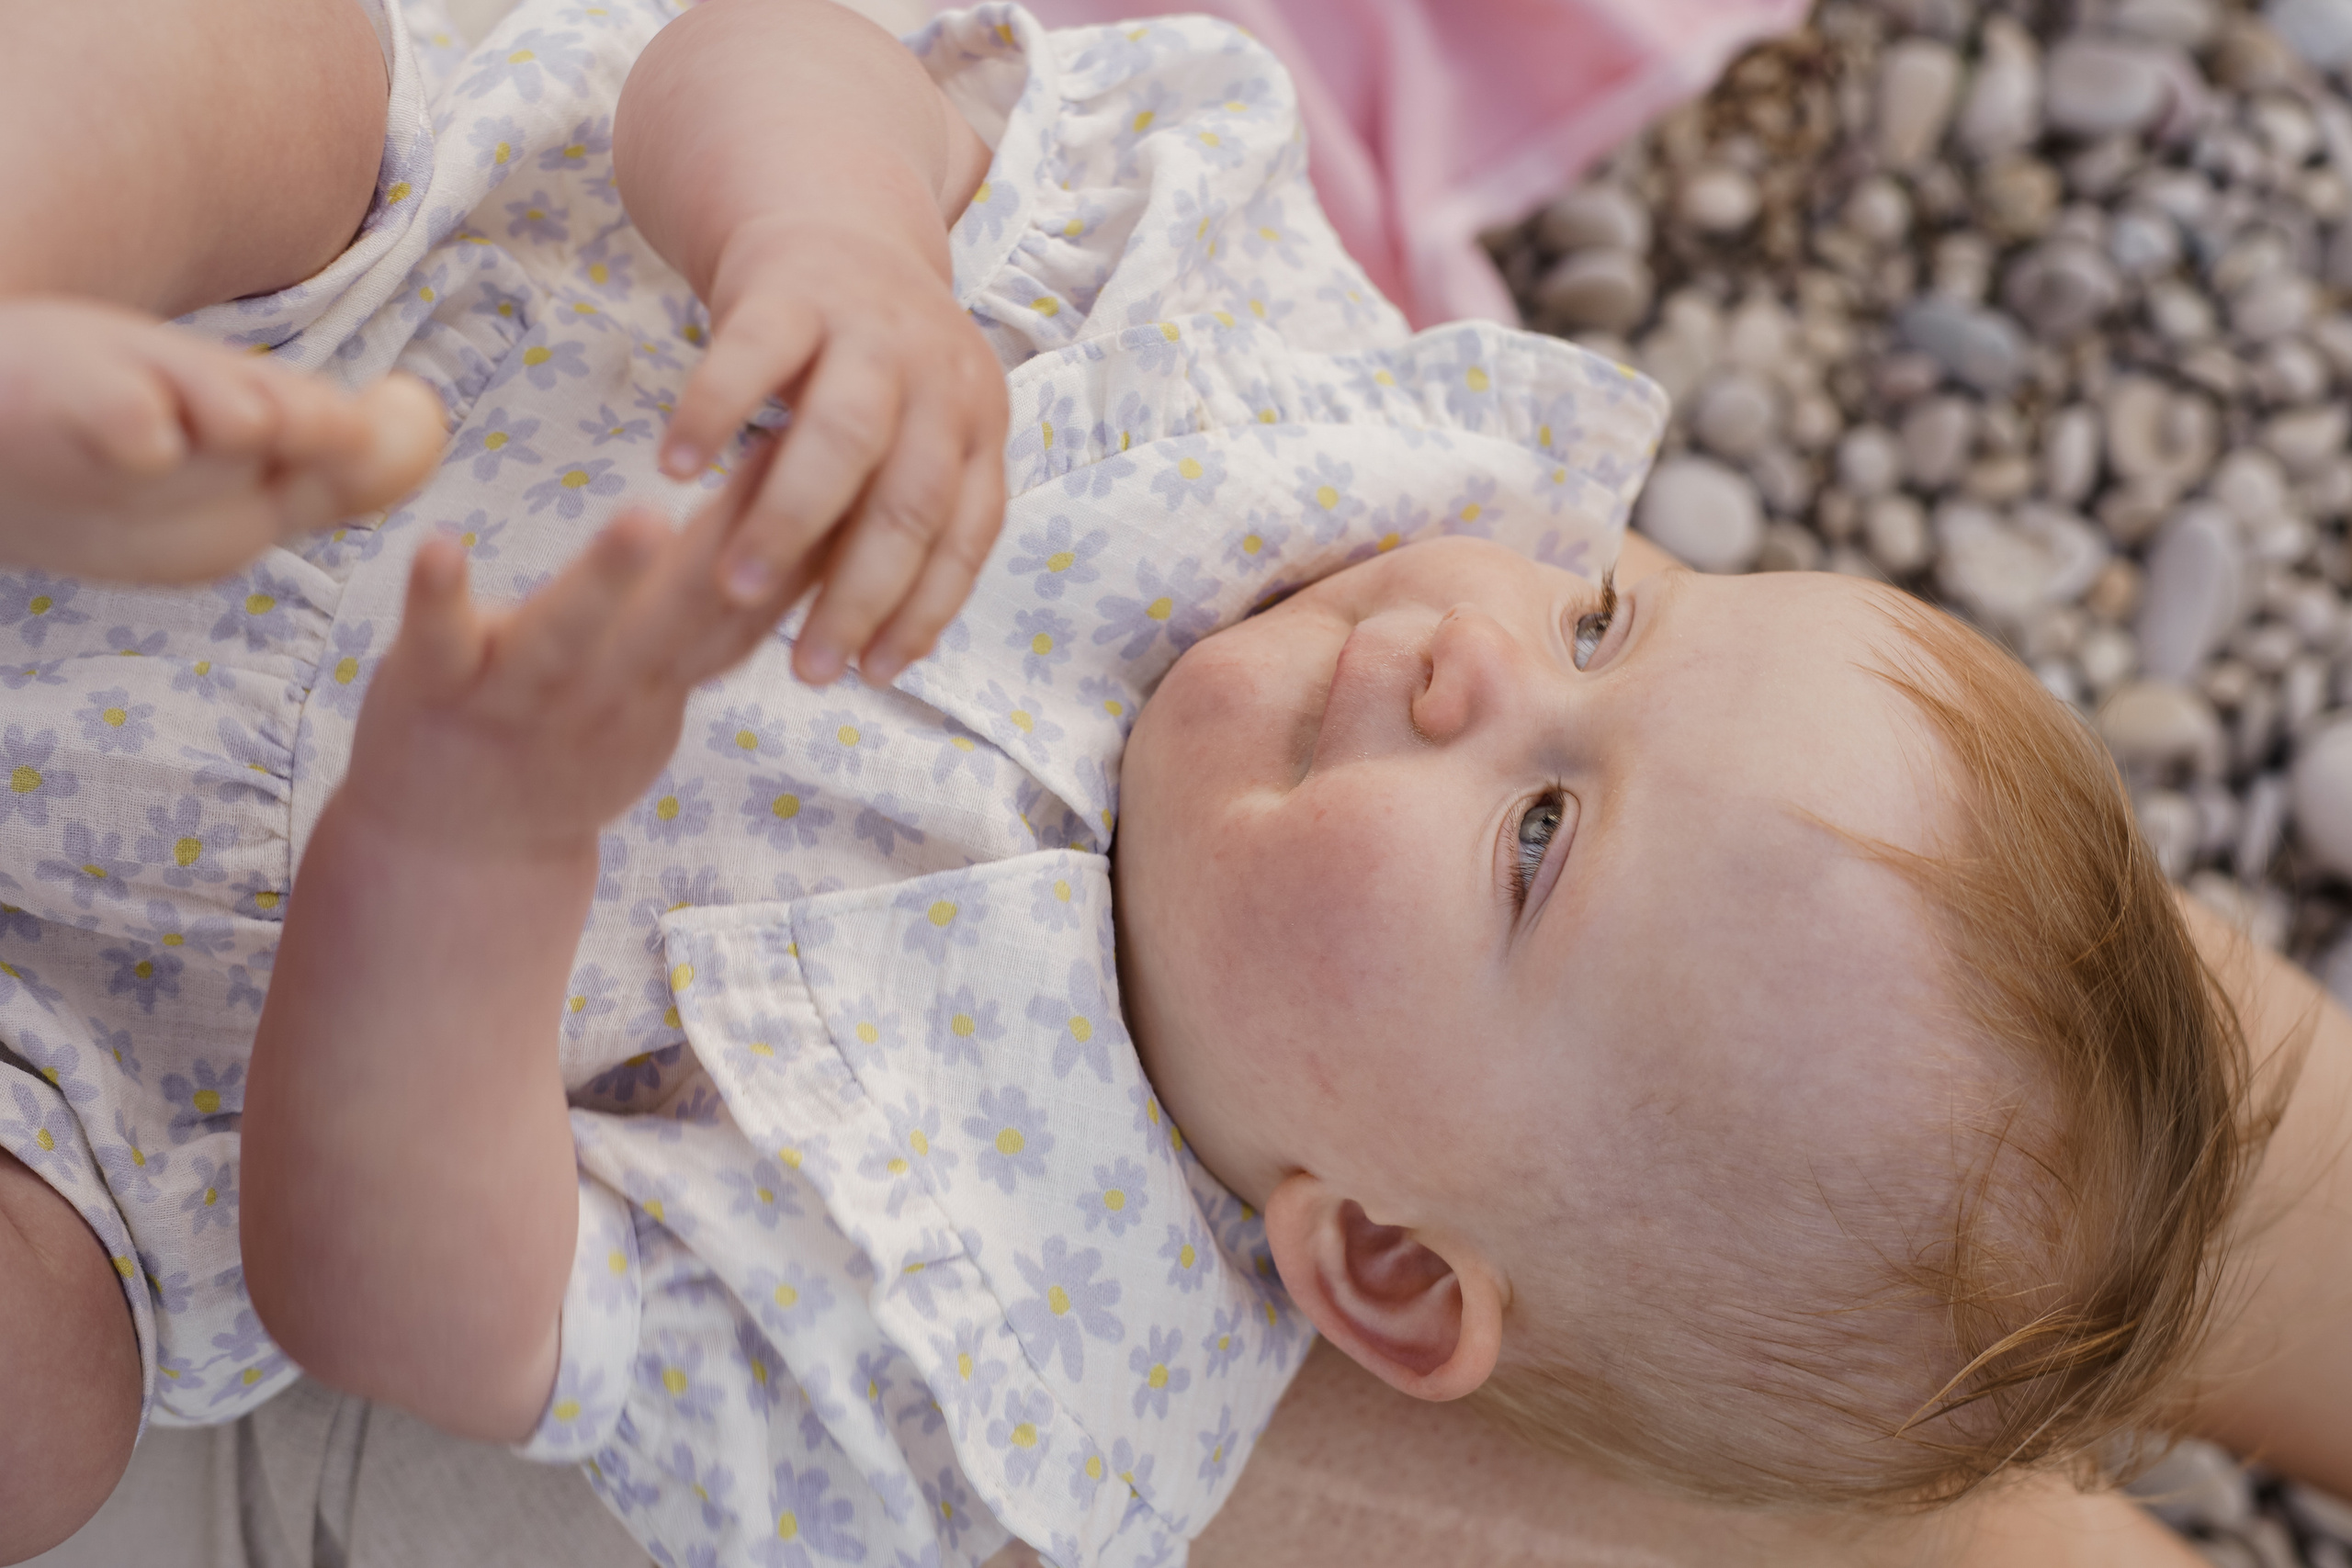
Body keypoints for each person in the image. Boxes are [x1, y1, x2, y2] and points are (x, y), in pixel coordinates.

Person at [0, 3, 2309, 1568]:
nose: (1465, 652)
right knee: (269, 65)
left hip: (92, 1069)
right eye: (1613, 620)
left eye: (1535, 832)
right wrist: (837, 236)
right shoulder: (1274, 404)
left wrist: (458, 857)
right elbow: (771, 51)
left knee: (41, 1407)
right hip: (308, 317)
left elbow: (411, 1298)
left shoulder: (1018, 1348)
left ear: (1383, 1256)